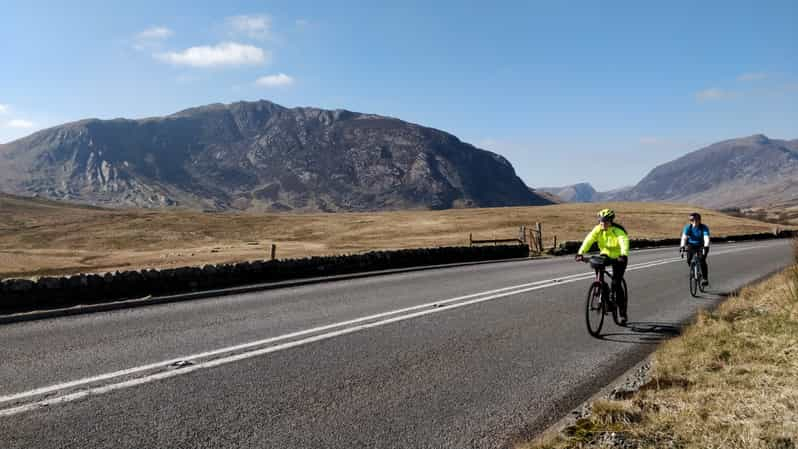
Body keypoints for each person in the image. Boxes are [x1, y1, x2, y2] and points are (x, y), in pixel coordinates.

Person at [575, 208, 630, 322]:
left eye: (605, 221)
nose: (602, 224)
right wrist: (580, 253)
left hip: (619, 257)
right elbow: (588, 240)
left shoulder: (618, 230)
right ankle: (603, 290)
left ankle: (622, 311)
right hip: (605, 255)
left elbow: (623, 241)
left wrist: (623, 255)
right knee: (599, 274)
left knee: (616, 282)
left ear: (611, 221)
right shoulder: (598, 229)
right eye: (601, 221)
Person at [680, 212, 710, 286]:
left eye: (695, 220)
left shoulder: (704, 227)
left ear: (699, 220)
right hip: (691, 245)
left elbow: (706, 238)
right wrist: (682, 247)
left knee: (702, 260)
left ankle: (705, 279)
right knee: (689, 259)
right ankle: (693, 270)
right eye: (692, 220)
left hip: (702, 245)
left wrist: (706, 247)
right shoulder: (688, 227)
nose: (694, 222)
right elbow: (684, 238)